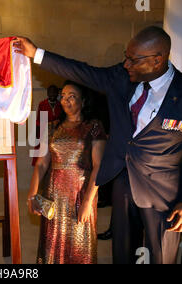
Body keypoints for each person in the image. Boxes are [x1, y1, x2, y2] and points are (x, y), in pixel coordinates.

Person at [15, 26, 182, 264]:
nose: (126, 64)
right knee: (123, 255)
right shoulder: (121, 79)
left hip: (164, 196)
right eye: (126, 56)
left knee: (160, 257)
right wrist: (36, 53)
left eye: (133, 60)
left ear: (157, 60)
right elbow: (81, 71)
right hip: (123, 185)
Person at [27, 80, 107, 264]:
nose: (65, 100)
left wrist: (88, 201)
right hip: (53, 194)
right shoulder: (53, 126)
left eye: (72, 96)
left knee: (79, 245)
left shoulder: (93, 126)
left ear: (83, 101)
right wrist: (32, 193)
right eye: (63, 96)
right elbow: (41, 164)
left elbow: (98, 166)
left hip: (80, 193)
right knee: (52, 242)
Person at [32, 84, 63, 166]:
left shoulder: (61, 105)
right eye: (50, 92)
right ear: (47, 93)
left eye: (54, 92)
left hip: (57, 136)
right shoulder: (43, 104)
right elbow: (40, 121)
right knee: (43, 161)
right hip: (45, 135)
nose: (52, 94)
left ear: (57, 94)